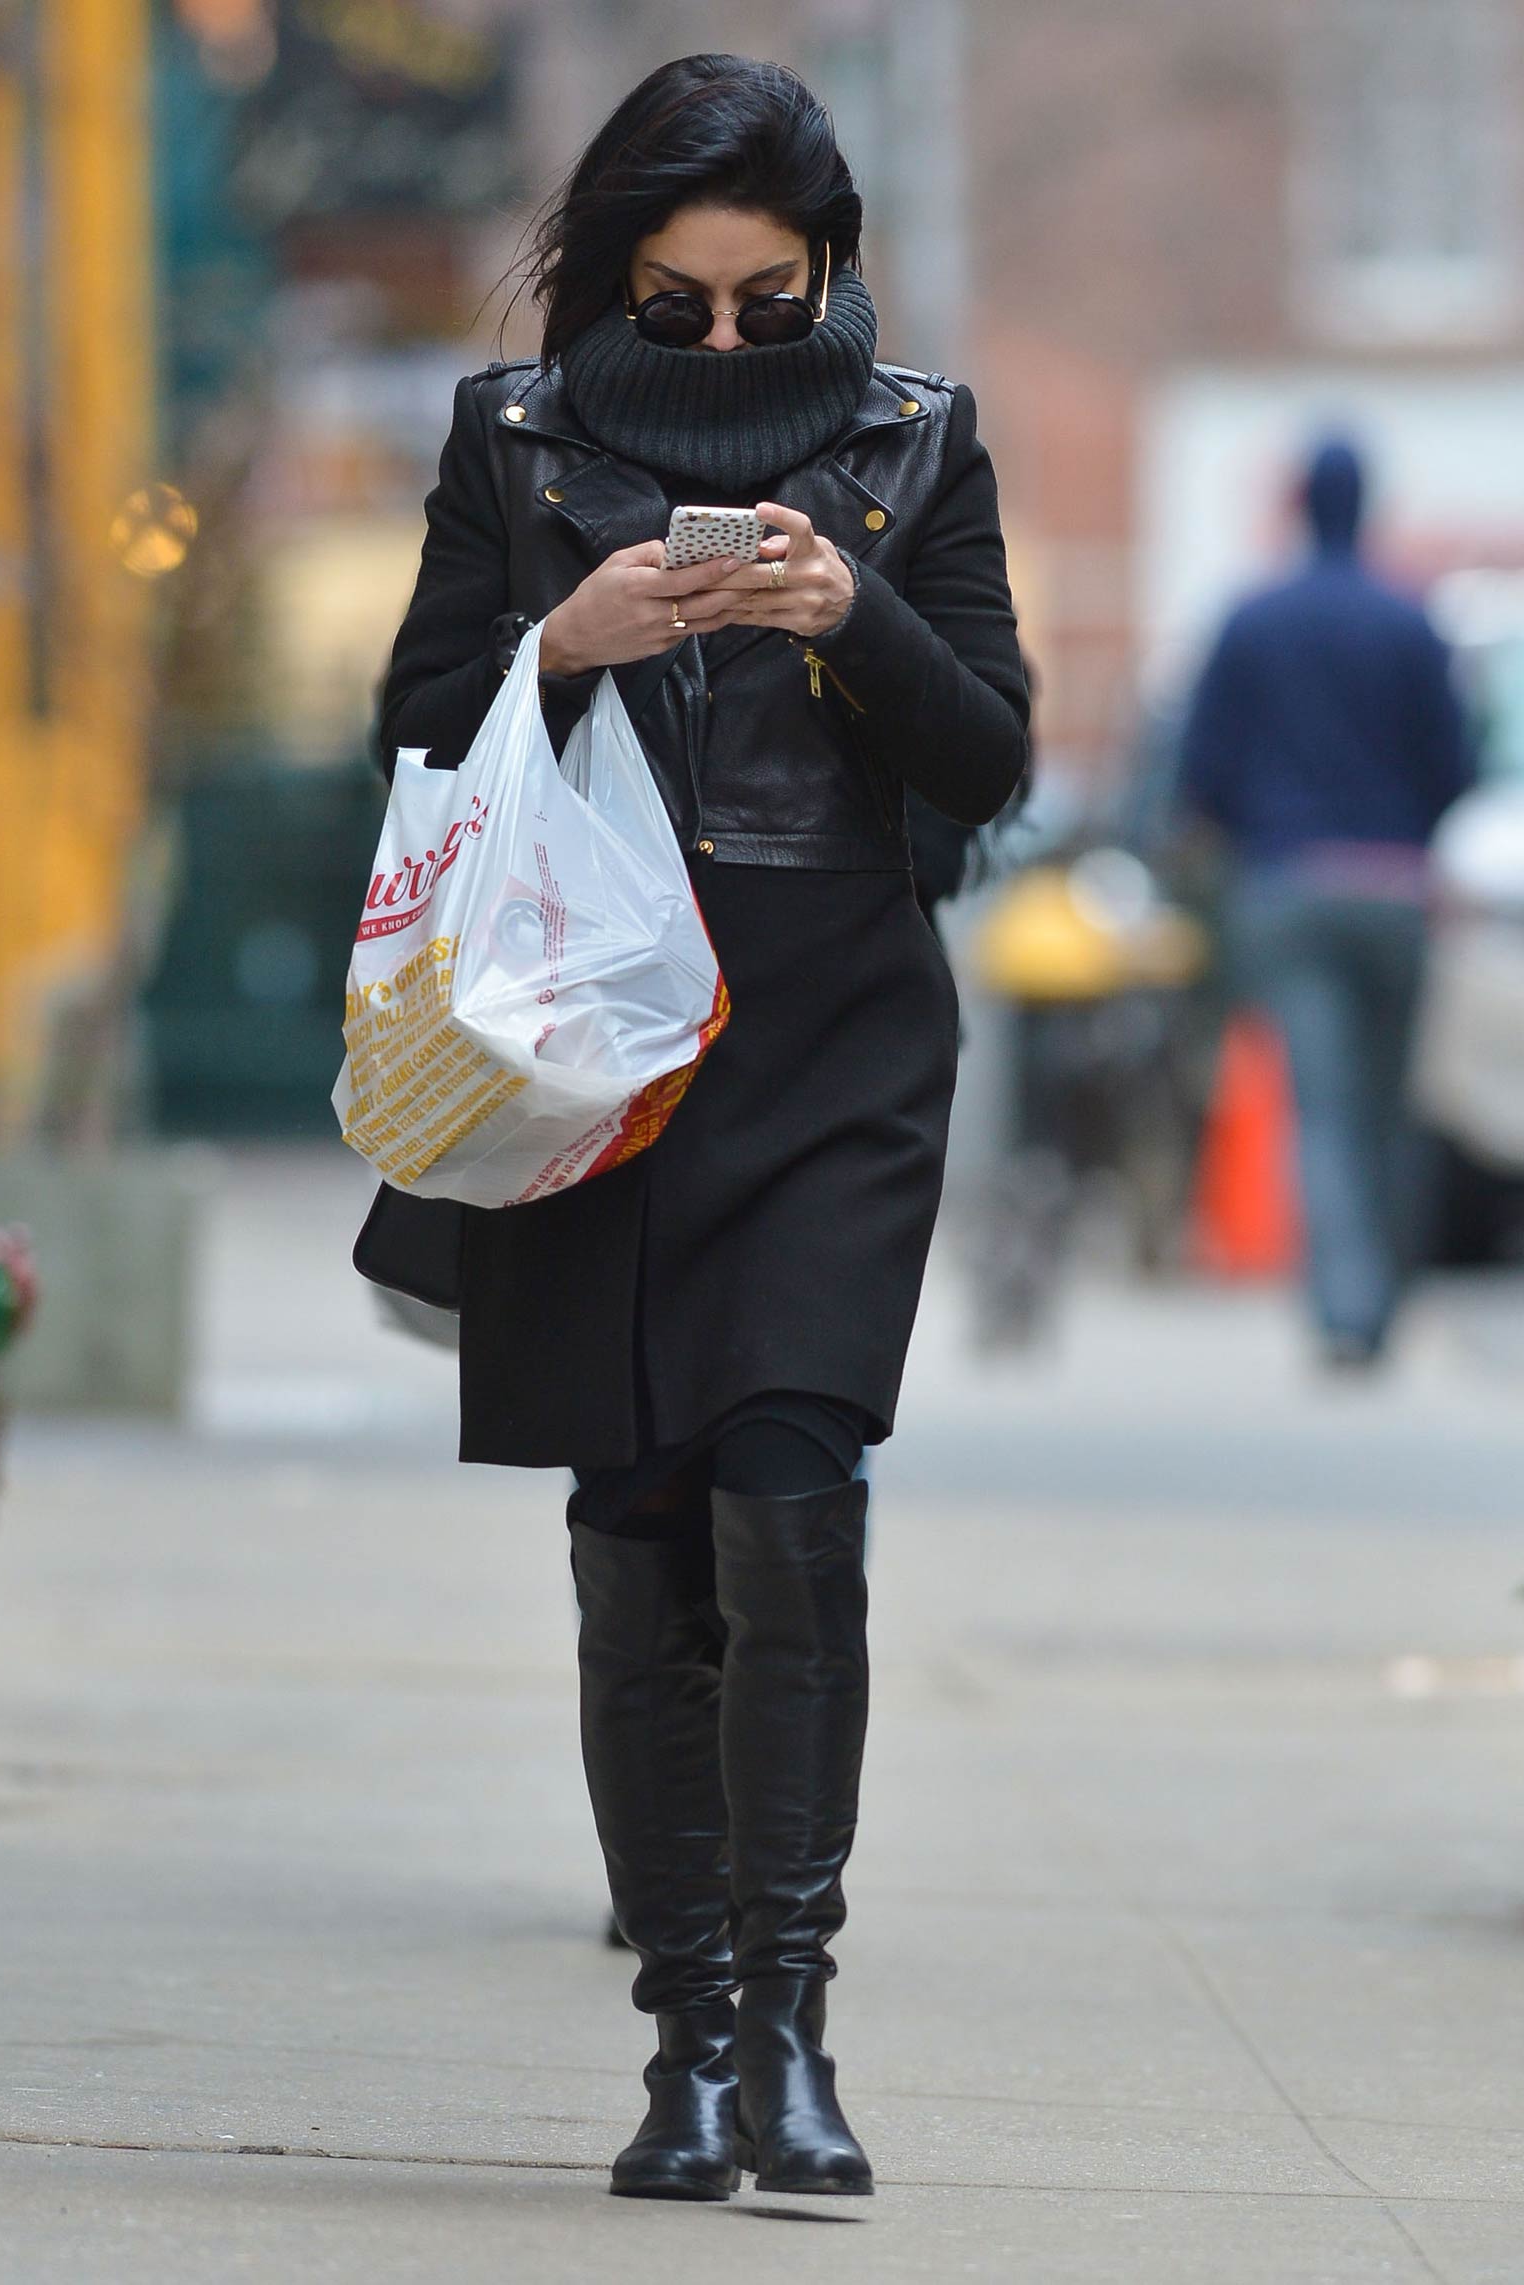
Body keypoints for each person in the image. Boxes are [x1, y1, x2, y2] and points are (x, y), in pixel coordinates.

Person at [374, 53, 1029, 2201]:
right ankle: (691, 2043)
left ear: (828, 270)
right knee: (636, 1522)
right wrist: (557, 640)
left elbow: (991, 760)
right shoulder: (513, 440)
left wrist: (856, 616)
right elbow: (415, 731)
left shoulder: (910, 445)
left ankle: (798, 2024)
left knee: (791, 1487)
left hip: (830, 1048)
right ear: (606, 281)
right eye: (677, 304)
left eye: (771, 297)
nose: (730, 342)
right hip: (592, 1063)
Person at [1179, 436, 1471, 1365]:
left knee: (1326, 1104)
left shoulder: (1254, 619)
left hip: (1289, 886)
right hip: (1395, 889)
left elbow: (1201, 767)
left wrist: (1251, 835)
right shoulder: (1411, 620)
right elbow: (1455, 762)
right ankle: (1383, 1295)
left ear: (1301, 503)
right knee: (1390, 1105)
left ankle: (1347, 1310)